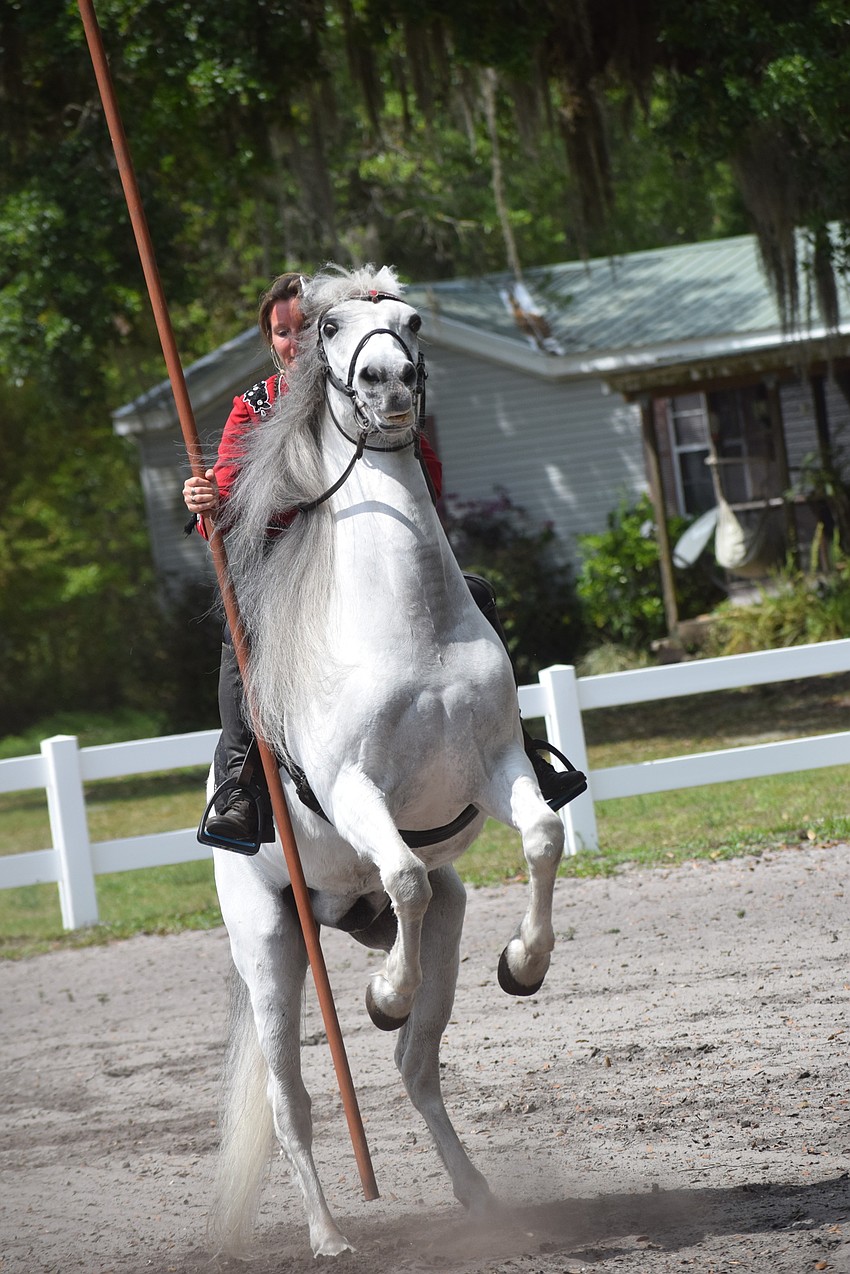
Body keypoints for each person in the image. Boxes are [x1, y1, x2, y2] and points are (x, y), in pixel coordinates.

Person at [184, 272, 584, 850]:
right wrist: (208, 504)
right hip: (290, 569)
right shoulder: (255, 407)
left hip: (370, 554)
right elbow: (225, 503)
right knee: (239, 626)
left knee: (476, 593)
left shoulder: (360, 389)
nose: (294, 342)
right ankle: (239, 780)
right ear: (270, 342)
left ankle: (515, 743)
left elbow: (427, 475)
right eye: (281, 333)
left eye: (304, 328)